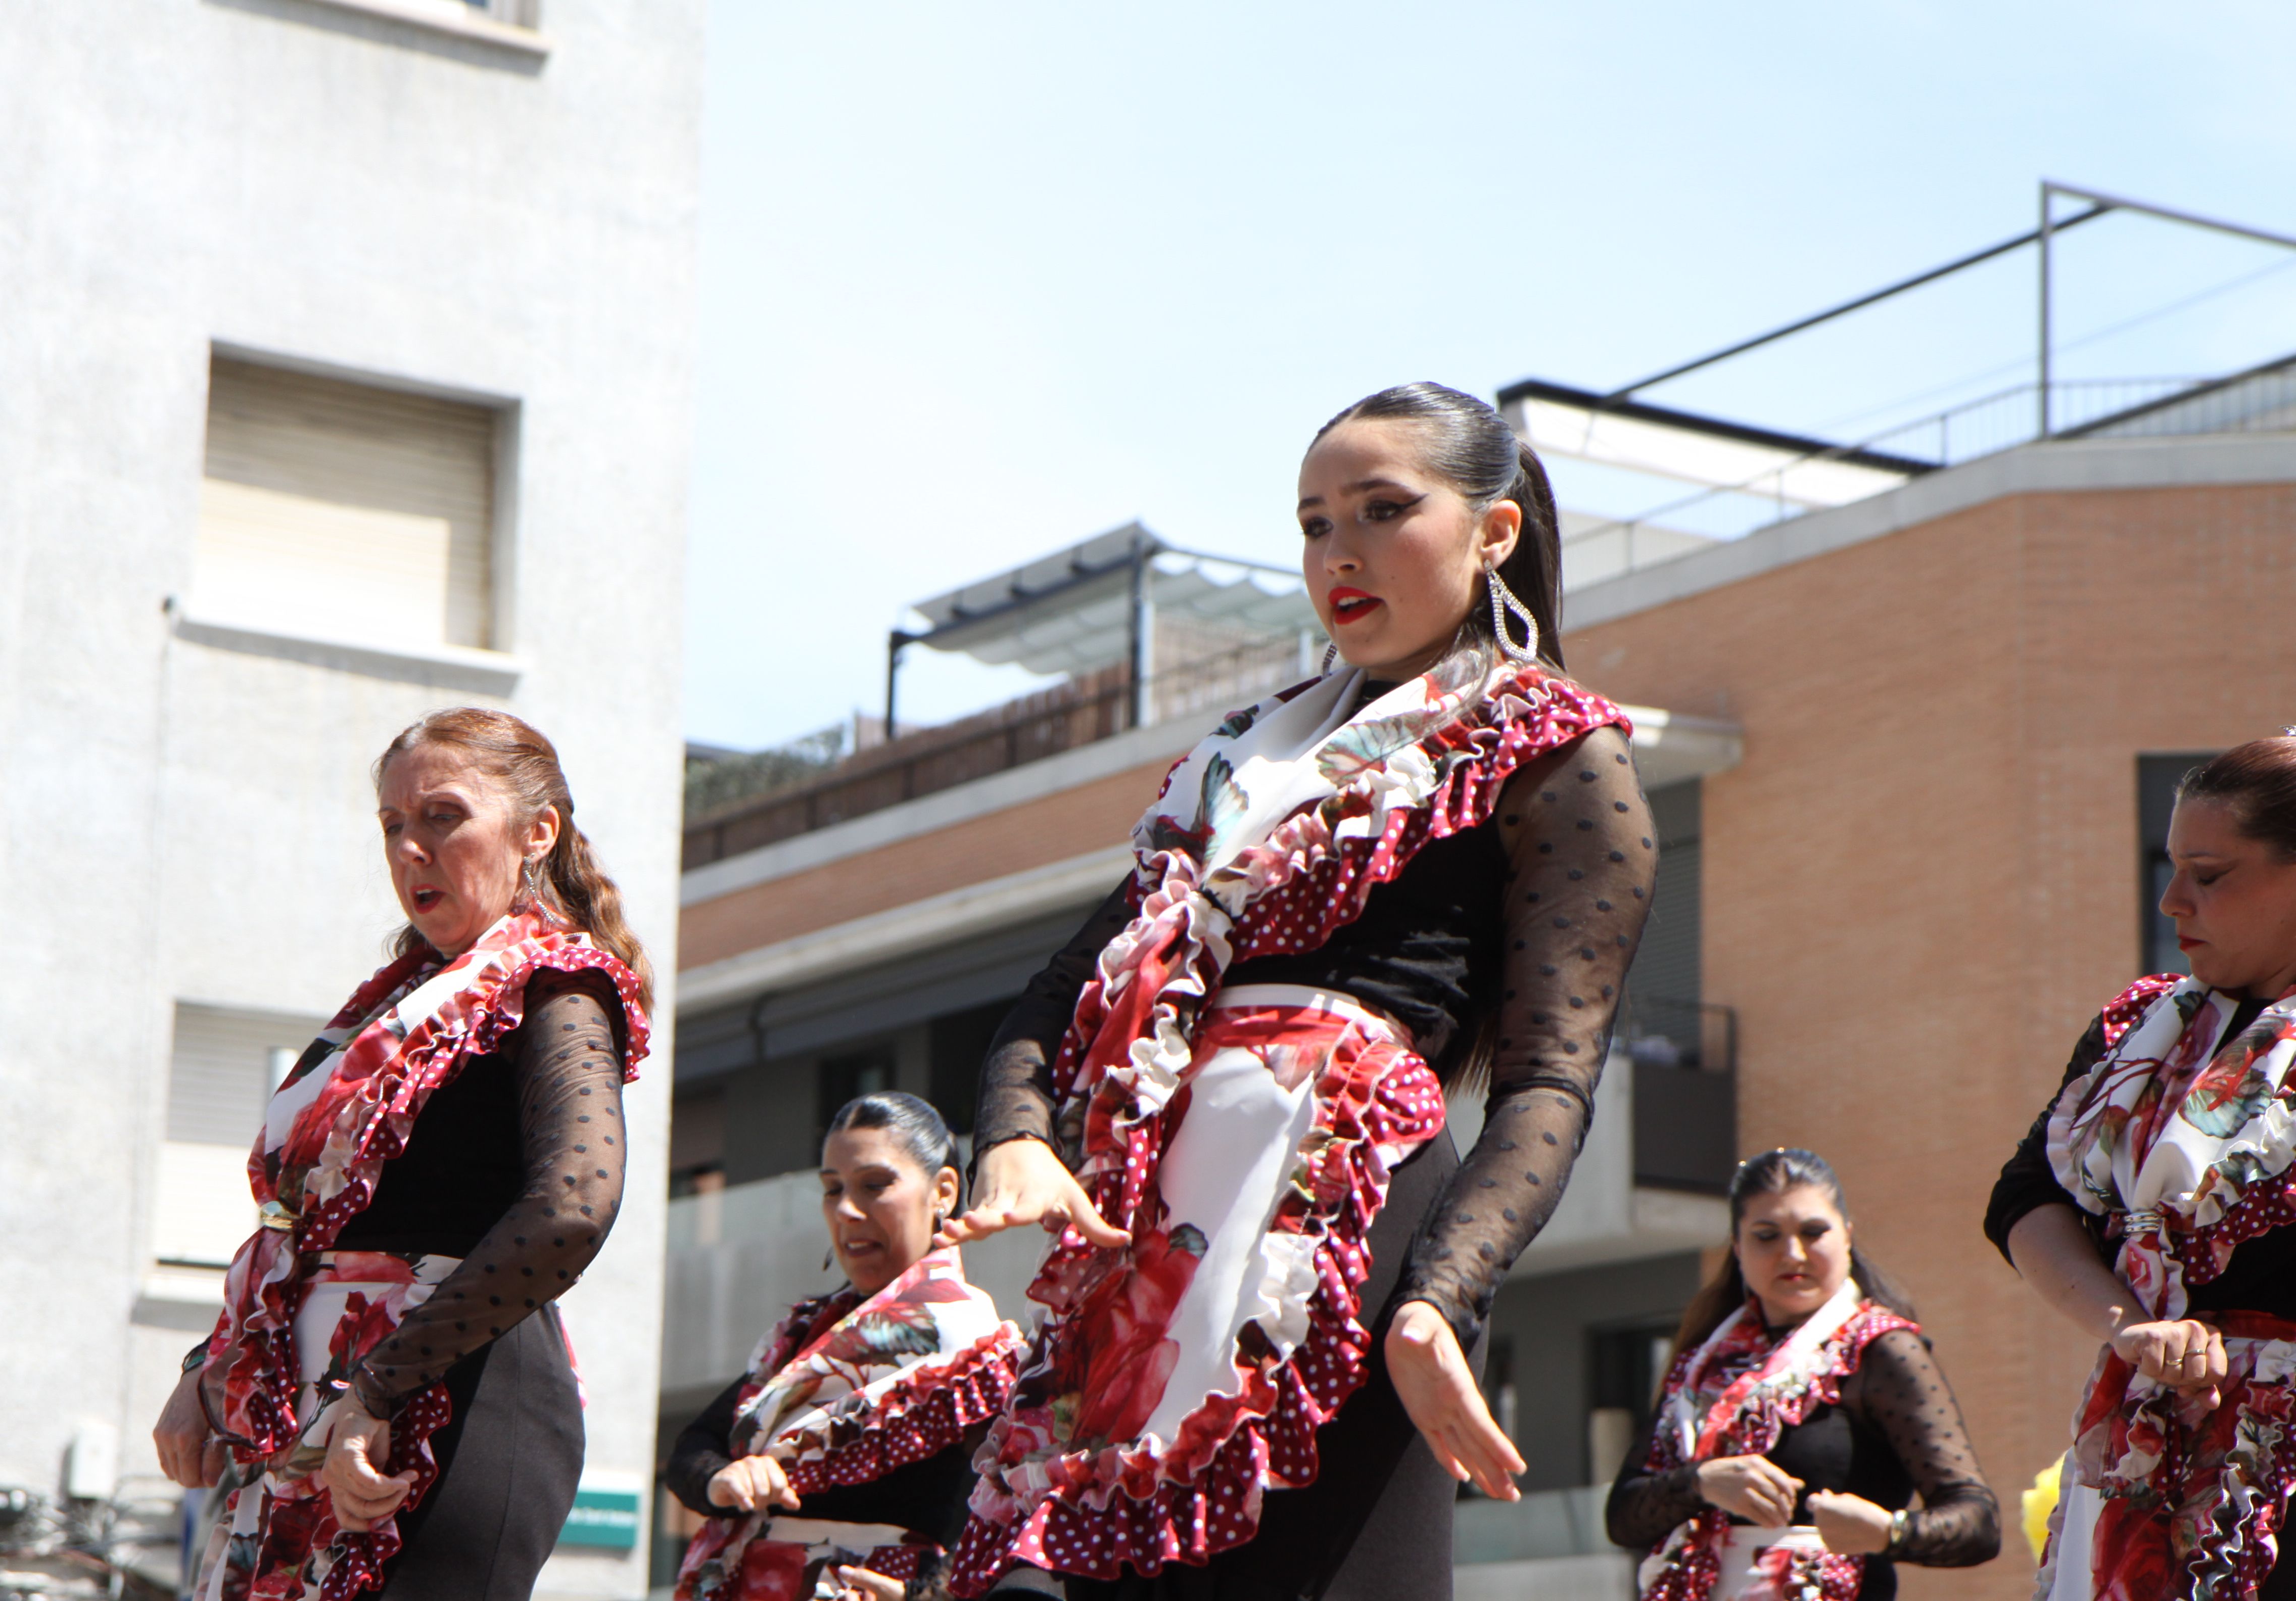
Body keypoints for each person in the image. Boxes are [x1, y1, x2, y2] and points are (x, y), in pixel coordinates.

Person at [942, 382, 1658, 1599]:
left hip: (1349, 1222)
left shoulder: (1557, 752)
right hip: (1147, 1228)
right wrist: (1016, 1135)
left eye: (1383, 510)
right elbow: (1055, 994)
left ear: (1492, 532)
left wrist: (1436, 1296)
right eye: (1314, 523)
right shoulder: (1234, 761)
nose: (1340, 552)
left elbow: (1547, 1083)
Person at [149, 709, 653, 1601]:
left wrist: (378, 1390)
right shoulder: (388, 1008)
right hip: (308, 1406)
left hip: (449, 1402)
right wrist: (211, 1361)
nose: (410, 847)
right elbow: (298, 1226)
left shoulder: (561, 985)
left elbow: (572, 1205)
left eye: (443, 815)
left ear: (537, 830)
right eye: (392, 824)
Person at [1987, 737, 2296, 1600]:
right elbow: (2024, 1197)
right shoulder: (2138, 1036)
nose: (2170, 901)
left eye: (2208, 873)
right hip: (2139, 1450)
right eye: (2171, 869)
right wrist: (2126, 1324)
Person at [665, 1094, 1024, 1601]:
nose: (847, 1210)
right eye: (832, 1190)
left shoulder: (976, 1346)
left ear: (943, 1191)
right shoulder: (800, 1335)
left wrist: (930, 1597)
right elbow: (694, 1448)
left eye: (875, 1185)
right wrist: (725, 1479)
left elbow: (1011, 1515)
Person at [1609, 1148, 1999, 1600]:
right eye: (1766, 1235)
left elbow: (1979, 1523)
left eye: (1813, 1232)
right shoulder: (1701, 1367)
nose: (1791, 1254)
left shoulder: (1881, 1350)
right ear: (1737, 1247)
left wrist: (1888, 1532)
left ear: (1847, 1236)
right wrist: (1702, 1482)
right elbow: (1623, 1518)